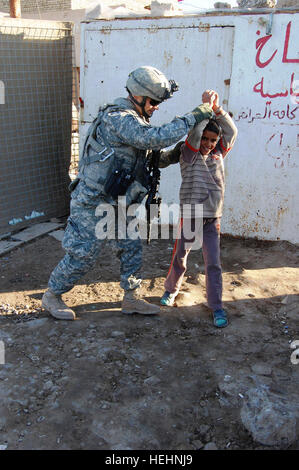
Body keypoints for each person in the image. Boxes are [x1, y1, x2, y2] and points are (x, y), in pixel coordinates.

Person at [42, 66, 216, 320]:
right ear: (138, 96)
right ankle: (52, 295)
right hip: (94, 201)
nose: (156, 107)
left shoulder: (136, 120)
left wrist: (172, 156)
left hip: (121, 200)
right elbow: (152, 138)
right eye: (154, 101)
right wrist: (193, 117)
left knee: (131, 247)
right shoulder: (119, 118)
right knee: (84, 254)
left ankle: (131, 298)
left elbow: (143, 157)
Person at [160, 90, 238, 328]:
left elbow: (231, 131)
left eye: (212, 140)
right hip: (191, 218)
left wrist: (217, 109)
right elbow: (194, 133)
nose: (208, 144)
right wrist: (205, 107)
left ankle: (216, 306)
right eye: (205, 139)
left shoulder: (218, 153)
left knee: (213, 263)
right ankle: (171, 290)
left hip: (212, 219)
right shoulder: (188, 152)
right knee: (180, 257)